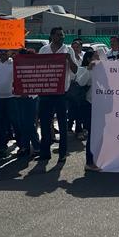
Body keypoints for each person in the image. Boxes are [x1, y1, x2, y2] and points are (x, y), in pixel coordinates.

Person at [37, 27, 78, 164]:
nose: (62, 37)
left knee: (62, 123)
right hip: (46, 92)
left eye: (63, 35)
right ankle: (44, 152)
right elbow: (37, 68)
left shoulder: (68, 50)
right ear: (52, 36)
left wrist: (68, 59)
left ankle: (62, 153)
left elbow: (75, 70)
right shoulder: (44, 50)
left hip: (61, 93)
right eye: (59, 35)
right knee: (45, 122)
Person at [78, 51, 100, 172]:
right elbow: (81, 82)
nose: (98, 58)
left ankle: (97, 159)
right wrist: (89, 69)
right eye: (95, 57)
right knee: (92, 134)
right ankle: (89, 162)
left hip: (101, 106)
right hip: (89, 105)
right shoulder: (84, 69)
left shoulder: (102, 69)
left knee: (99, 134)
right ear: (88, 59)